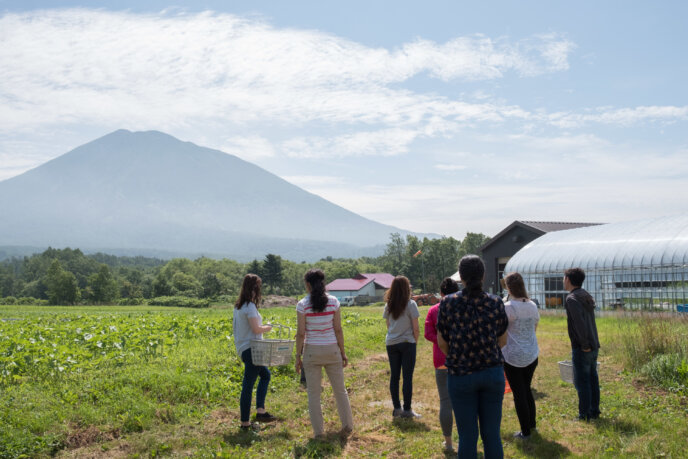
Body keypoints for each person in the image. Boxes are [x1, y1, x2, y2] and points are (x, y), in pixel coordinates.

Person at [437, 255, 508, 459]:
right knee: (492, 434)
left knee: (467, 436)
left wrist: (459, 355)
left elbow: (442, 342)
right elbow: (502, 341)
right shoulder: (495, 303)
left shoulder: (448, 304)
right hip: (492, 372)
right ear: (483, 275)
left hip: (460, 375)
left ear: (461, 277)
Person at [295, 269, 353, 438]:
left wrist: (298, 356)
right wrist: (343, 352)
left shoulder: (302, 304)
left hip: (311, 351)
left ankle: (319, 432)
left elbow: (300, 333)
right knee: (340, 390)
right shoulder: (334, 302)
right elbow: (338, 329)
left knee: (313, 394)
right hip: (332, 349)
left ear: (307, 284)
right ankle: (348, 426)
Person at [233, 274, 277, 430]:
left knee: (265, 375)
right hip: (253, 349)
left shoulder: (239, 306)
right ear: (255, 288)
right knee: (248, 384)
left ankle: (261, 411)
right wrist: (269, 327)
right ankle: (245, 422)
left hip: (245, 349)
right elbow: (256, 329)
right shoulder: (250, 307)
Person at [498, 272, 539, 440]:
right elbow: (534, 327)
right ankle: (532, 424)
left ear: (509, 287)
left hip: (513, 357)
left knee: (519, 394)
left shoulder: (507, 307)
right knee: (526, 390)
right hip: (531, 354)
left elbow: (500, 332)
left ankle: (525, 432)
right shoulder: (532, 305)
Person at [424, 277, 460, 452]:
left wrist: (440, 341)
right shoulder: (463, 307)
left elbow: (428, 333)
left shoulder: (433, 310)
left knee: (445, 401)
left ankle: (448, 443)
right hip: (463, 360)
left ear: (441, 293)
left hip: (441, 360)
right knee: (463, 402)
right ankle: (467, 440)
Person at [563, 267, 600, 421]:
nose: (563, 281)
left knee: (582, 381)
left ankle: (584, 414)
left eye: (564, 278)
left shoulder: (572, 299)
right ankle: (594, 410)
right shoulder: (585, 295)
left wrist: (584, 345)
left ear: (569, 280)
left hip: (583, 346)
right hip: (594, 343)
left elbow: (579, 324)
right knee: (592, 378)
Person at [384, 275, 421, 418]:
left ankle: (396, 408)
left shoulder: (389, 305)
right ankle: (407, 410)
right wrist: (414, 341)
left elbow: (388, 325)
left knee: (394, 376)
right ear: (407, 288)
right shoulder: (411, 304)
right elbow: (416, 328)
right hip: (407, 343)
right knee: (407, 377)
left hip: (391, 343)